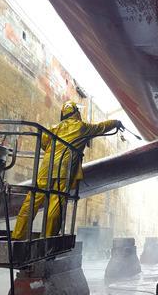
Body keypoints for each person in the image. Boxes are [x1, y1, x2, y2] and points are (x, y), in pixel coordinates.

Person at [12, 101, 123, 239]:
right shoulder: (82, 128)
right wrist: (116, 122)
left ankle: (17, 236)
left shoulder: (55, 127)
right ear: (76, 112)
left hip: (46, 169)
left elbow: (44, 143)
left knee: (32, 200)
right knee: (55, 203)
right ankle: (47, 239)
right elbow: (101, 127)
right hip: (64, 171)